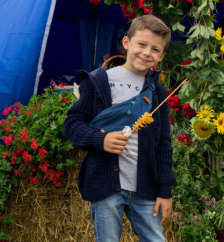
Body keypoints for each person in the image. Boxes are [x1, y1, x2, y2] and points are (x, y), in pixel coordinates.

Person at [64, 15, 175, 242]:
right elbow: (72, 124)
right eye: (141, 44)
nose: (146, 53)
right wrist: (100, 139)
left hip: (146, 188)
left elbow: (164, 143)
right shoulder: (100, 81)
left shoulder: (156, 92)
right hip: (106, 186)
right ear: (126, 43)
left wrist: (165, 190)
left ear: (161, 57)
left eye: (155, 49)